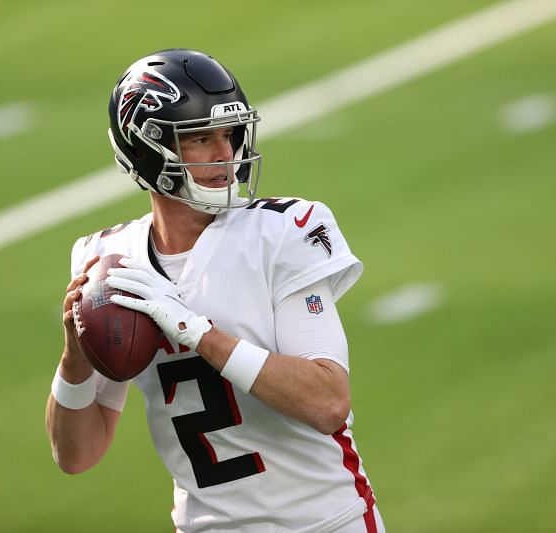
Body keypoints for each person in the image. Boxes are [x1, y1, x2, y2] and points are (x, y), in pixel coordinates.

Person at [45, 48, 385, 532]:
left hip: (324, 523)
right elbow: (75, 455)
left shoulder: (281, 231)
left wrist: (197, 332)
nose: (225, 155)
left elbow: (328, 402)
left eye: (229, 135)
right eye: (200, 138)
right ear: (146, 148)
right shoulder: (107, 260)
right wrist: (74, 356)